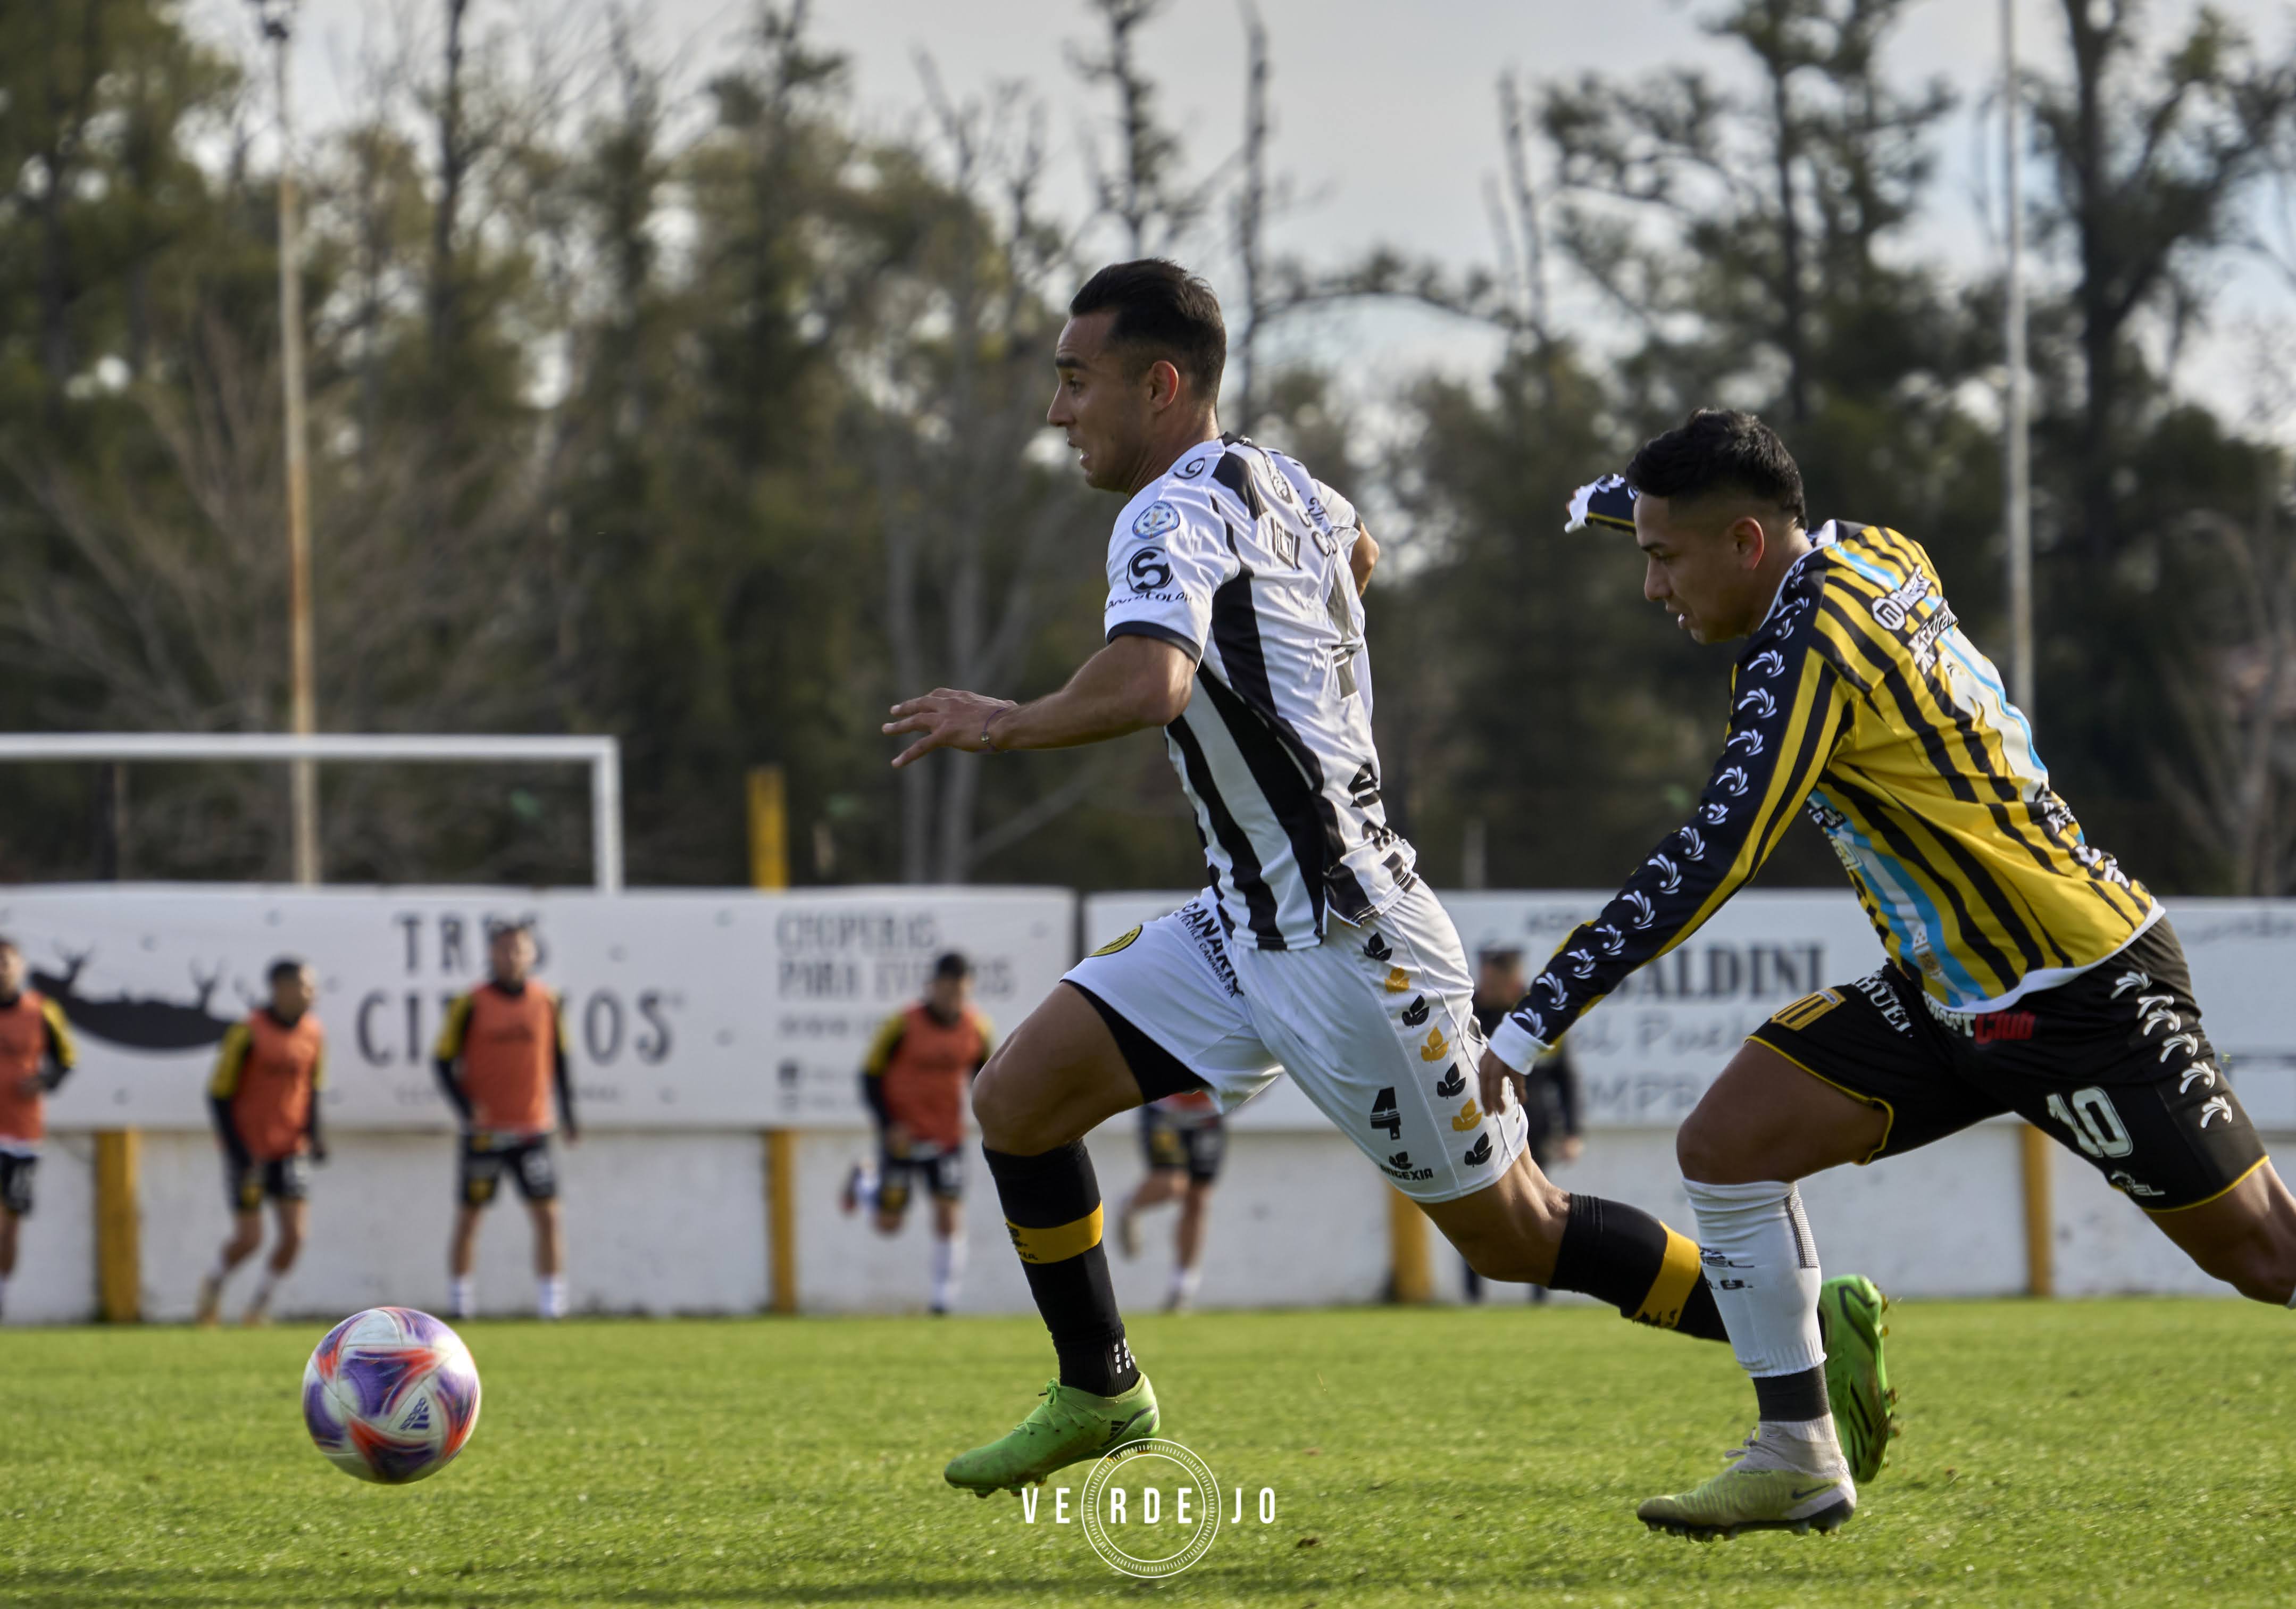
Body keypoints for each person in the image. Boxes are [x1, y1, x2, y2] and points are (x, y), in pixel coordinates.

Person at [882, 260, 1886, 1498]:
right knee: (1017, 1101)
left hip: (1350, 943)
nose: (1058, 412)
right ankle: (1100, 1386)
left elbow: (1152, 681)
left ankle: (1792, 1329)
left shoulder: (1163, 513)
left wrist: (1001, 720)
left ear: (1159, 384)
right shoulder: (1288, 484)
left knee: (1515, 1230)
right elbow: (1360, 548)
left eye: (1074, 381)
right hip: (1241, 922)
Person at [1480, 408, 2296, 1540]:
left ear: (1746, 548)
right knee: (1725, 1145)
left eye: (1662, 558)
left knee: (2264, 1253)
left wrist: (1526, 1027)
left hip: (2080, 986)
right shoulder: (1874, 547)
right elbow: (1744, 516)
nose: (1651, 586)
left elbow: (1712, 853)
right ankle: (1795, 1453)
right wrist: (1624, 506)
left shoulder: (1806, 655)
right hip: (1946, 990)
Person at [435, 921, 577, 1321]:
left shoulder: (546, 1000)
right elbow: (442, 1060)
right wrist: (466, 1108)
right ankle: (460, 1304)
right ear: (491, 954)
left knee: (548, 1215)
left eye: (520, 950)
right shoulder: (472, 1003)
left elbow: (561, 1059)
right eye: (504, 950)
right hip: (485, 1132)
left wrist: (569, 1115)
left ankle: (554, 1305)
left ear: (532, 954)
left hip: (532, 1127)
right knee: (470, 1215)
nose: (512, 957)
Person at [842, 952, 993, 1315]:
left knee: (947, 1209)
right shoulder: (903, 1024)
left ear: (968, 988)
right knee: (889, 1223)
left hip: (946, 1136)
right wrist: (888, 1124)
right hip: (903, 1134)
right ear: (933, 986)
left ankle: (943, 1301)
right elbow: (869, 1075)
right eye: (946, 988)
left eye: (959, 989)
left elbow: (987, 1080)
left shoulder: (977, 1029)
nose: (952, 996)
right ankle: (864, 1181)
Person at [196, 958, 325, 1327]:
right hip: (250, 1149)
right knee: (250, 1238)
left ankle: (258, 1308)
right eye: (305, 985)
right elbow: (218, 1094)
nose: (312, 993)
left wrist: (315, 1135)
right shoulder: (247, 1031)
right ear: (281, 988)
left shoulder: (314, 1032)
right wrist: (237, 1150)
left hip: (290, 1148)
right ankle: (213, 1287)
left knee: (295, 1236)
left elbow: (313, 1087)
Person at [1465, 947, 1581, 1303]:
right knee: (1474, 1210)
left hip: (1533, 1126)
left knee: (1536, 1207)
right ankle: (1473, 1297)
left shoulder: (1537, 1015)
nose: (1492, 987)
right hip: (1474, 1123)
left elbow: (1564, 1075)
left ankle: (1539, 1295)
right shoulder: (1465, 1012)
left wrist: (1572, 1130)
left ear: (1513, 981)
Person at [0, 939, 75, 1321]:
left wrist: (43, 1081)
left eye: (6, 963)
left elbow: (66, 1061)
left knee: (11, 1224)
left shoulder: (41, 1011)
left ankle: (4, 1297)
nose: (1, 970)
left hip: (22, 1134)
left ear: (20, 967)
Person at [1114, 1089, 1224, 1311]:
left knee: (1198, 1199)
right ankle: (1129, 1206)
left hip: (1208, 1113)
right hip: (1166, 1108)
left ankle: (1183, 1289)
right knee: (1172, 1184)